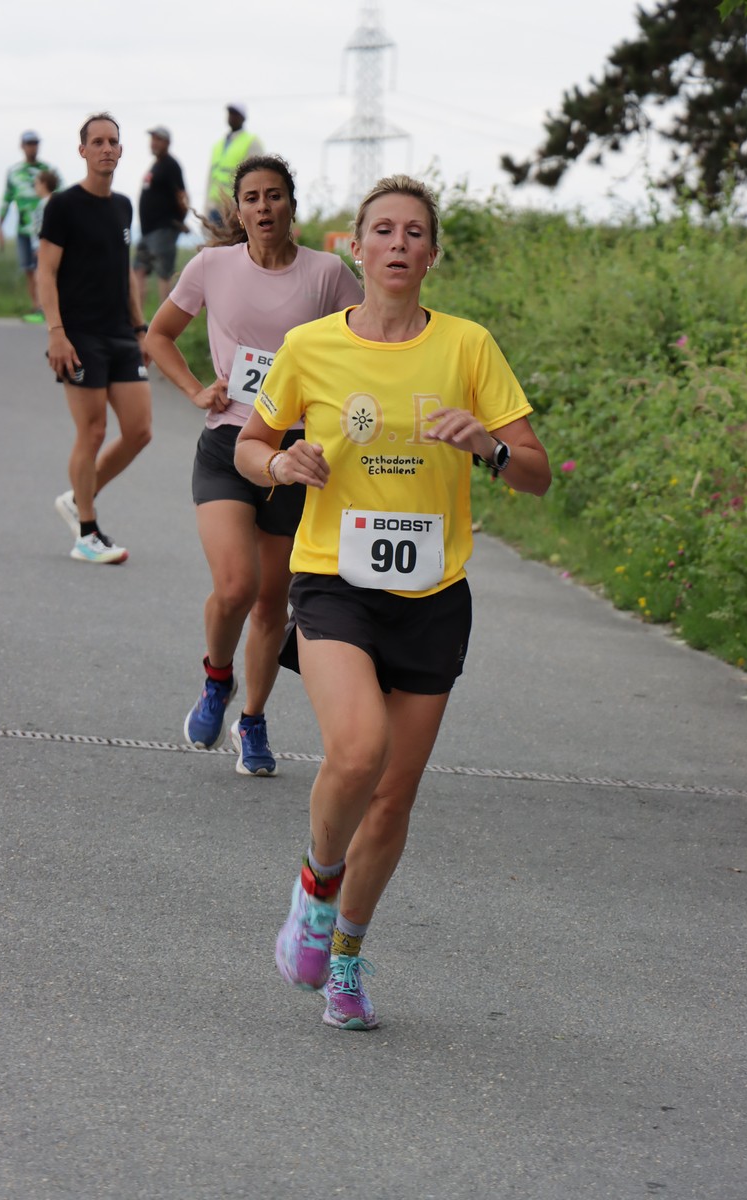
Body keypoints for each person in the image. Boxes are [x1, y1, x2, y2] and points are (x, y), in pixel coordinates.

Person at [234, 175, 552, 1030]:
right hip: (334, 581)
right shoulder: (310, 346)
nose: (399, 243)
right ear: (357, 247)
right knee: (357, 752)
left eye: (415, 232)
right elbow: (252, 445)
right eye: (384, 230)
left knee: (393, 797)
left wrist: (488, 446)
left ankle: (345, 957)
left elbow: (536, 473)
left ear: (432, 253)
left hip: (433, 597)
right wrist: (281, 463)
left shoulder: (468, 347)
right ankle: (315, 888)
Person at [146, 154, 363, 772]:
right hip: (229, 444)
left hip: (295, 455)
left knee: (272, 603)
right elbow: (158, 335)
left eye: (274, 195)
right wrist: (196, 390)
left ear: (291, 204)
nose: (264, 207)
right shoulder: (211, 266)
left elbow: (364, 343)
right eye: (252, 198)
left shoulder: (327, 273)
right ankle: (217, 678)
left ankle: (253, 722)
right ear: (238, 212)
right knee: (236, 586)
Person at [36, 113, 152, 565]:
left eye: (113, 142)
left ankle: (77, 497)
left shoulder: (123, 206)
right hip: (78, 335)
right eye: (97, 142)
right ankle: (87, 532)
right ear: (82, 150)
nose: (106, 148)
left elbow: (123, 273)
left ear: (121, 150)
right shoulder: (63, 206)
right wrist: (56, 333)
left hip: (120, 334)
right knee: (94, 431)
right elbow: (46, 273)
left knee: (139, 431)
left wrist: (140, 329)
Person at [0, 131, 59, 321]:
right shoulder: (14, 172)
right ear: (22, 146)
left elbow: (61, 195)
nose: (33, 147)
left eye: (35, 143)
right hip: (25, 230)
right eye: (29, 143)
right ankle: (37, 306)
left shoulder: (47, 170)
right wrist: (0, 227)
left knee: (45, 270)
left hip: (45, 232)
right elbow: (6, 199)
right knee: (29, 270)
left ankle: (48, 307)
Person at [133, 126, 189, 308]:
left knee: (164, 274)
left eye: (158, 139)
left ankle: (164, 322)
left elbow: (182, 195)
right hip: (147, 231)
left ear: (167, 143)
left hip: (163, 229)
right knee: (138, 270)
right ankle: (137, 321)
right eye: (153, 139)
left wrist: (180, 221)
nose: (154, 143)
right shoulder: (155, 165)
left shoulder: (170, 165)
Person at [205, 103, 263, 223]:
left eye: (235, 114)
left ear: (243, 118)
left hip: (236, 206)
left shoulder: (251, 141)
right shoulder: (218, 145)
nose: (232, 117)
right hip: (215, 207)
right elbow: (210, 178)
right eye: (230, 113)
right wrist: (207, 206)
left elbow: (257, 176)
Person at [30, 169, 61, 256]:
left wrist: (39, 247)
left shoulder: (46, 204)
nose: (34, 187)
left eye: (36, 184)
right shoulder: (55, 201)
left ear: (43, 184)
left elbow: (42, 227)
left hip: (45, 249)